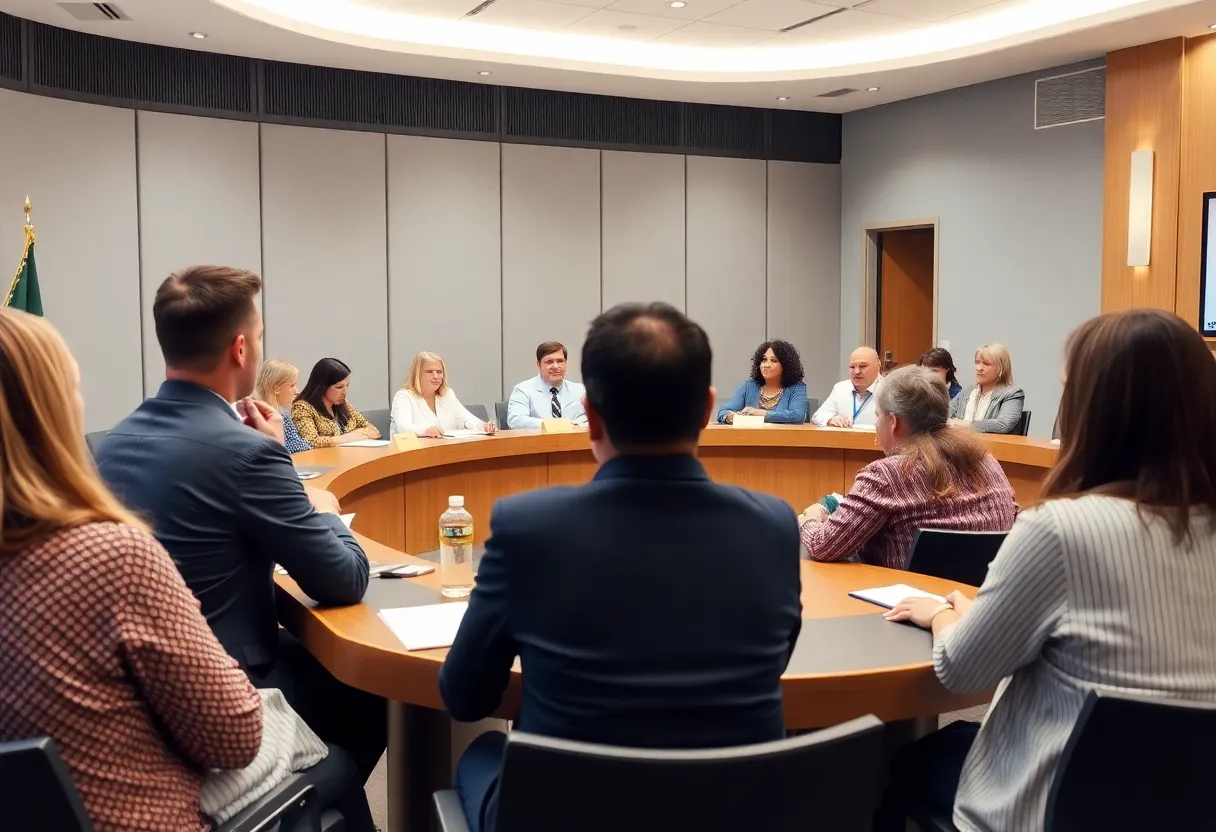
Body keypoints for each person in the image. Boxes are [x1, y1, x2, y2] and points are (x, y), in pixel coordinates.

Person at [441, 303, 803, 832]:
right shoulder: (774, 526)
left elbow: (466, 695)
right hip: (729, 810)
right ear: (707, 410)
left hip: (566, 813)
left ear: (590, 416)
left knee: (483, 753)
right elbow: (777, 659)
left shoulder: (526, 528)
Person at [879, 309, 1216, 832]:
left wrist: (944, 615)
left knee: (901, 764)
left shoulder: (1060, 530)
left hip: (1045, 807)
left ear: (1091, 409)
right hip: (1187, 810)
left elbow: (963, 670)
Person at [96, 266, 383, 828]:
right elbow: (343, 579)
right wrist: (319, 505)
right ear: (241, 347)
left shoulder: (116, 439)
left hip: (137, 689)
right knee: (365, 697)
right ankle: (297, 797)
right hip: (227, 690)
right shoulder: (250, 453)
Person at [0, 307, 264, 831]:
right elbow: (235, 737)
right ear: (49, 413)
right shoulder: (108, 556)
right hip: (136, 815)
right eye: (72, 388)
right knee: (331, 756)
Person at [799, 365, 1017, 570]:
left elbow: (823, 545)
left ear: (894, 422)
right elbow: (1012, 515)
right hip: (972, 601)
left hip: (898, 601)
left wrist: (811, 517)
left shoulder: (885, 475)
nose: (876, 424)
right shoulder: (986, 461)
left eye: (877, 415)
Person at [390, 351, 497, 437]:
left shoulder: (447, 395)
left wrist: (484, 426)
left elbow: (467, 419)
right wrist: (426, 430)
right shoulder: (404, 397)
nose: (436, 376)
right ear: (417, 374)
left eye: (439, 372)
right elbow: (403, 427)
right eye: (429, 372)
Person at [291, 358, 381, 447]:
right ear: (322, 386)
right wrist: (349, 437)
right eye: (339, 387)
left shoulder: (343, 403)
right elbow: (310, 442)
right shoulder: (302, 408)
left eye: (347, 385)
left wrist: (356, 434)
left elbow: (374, 431)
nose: (344, 392)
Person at [717, 340, 809, 424]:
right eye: (764, 360)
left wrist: (762, 414)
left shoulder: (797, 388)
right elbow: (723, 411)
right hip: (750, 439)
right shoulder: (749, 386)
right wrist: (730, 417)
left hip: (783, 440)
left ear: (785, 366)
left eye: (773, 361)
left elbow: (797, 415)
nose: (766, 365)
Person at [506, 341, 587, 429]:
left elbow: (593, 419)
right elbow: (516, 421)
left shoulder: (580, 390)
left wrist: (574, 425)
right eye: (549, 362)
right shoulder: (523, 390)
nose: (556, 366)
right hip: (538, 441)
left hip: (573, 441)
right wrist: (554, 425)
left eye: (560, 361)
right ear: (539, 365)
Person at [948, 344, 1025, 434]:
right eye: (977, 362)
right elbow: (945, 415)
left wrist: (965, 425)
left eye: (986, 364)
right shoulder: (967, 391)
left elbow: (1003, 424)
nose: (979, 368)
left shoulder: (1013, 393)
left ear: (1001, 368)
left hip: (994, 446)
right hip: (962, 444)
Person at [810, 346, 882, 428]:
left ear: (878, 367)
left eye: (863, 366)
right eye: (852, 367)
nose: (856, 372)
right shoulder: (840, 388)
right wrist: (831, 419)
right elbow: (818, 416)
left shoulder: (889, 390)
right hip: (844, 439)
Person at [255, 358, 311, 453]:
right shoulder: (279, 417)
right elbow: (299, 447)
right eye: (292, 385)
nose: (297, 391)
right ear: (276, 388)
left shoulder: (254, 412)